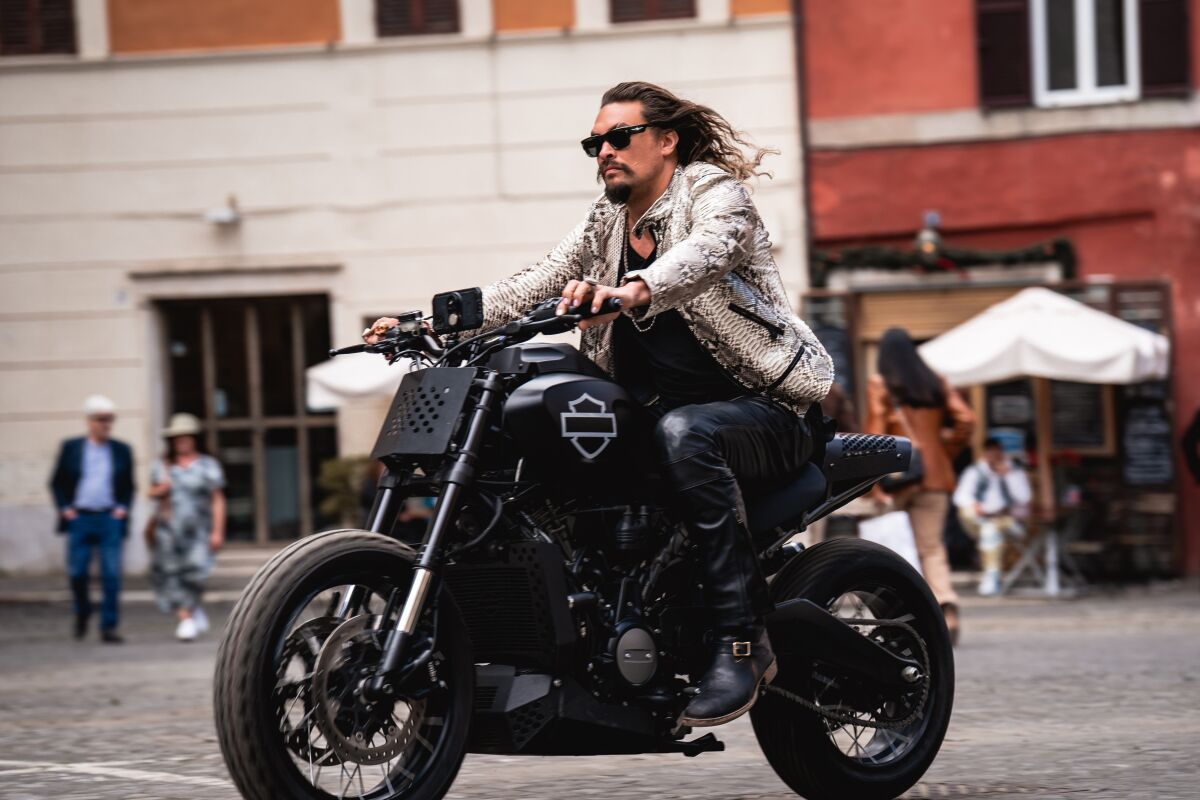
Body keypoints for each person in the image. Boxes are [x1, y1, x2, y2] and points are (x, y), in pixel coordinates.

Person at [367, 81, 834, 727]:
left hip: (764, 411)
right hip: (657, 415)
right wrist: (426, 323)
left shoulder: (712, 193)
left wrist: (634, 290)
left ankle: (742, 643)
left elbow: (705, 254)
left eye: (620, 137)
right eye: (595, 142)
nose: (604, 152)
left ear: (666, 141)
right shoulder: (606, 221)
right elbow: (534, 281)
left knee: (684, 433)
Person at [865, 328, 974, 643]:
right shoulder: (935, 382)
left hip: (898, 477)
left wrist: (873, 486)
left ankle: (895, 611)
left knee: (889, 545)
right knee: (932, 548)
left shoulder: (881, 384)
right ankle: (946, 608)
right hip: (936, 477)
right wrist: (943, 451)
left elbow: (876, 436)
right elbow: (965, 420)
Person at [48, 395, 134, 643]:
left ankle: (108, 626)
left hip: (109, 519)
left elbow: (128, 486)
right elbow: (57, 482)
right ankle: (82, 612)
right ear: (89, 421)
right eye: (101, 419)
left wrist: (122, 509)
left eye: (110, 419)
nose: (106, 424)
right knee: (77, 573)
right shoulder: (72, 448)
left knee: (111, 575)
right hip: (80, 518)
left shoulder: (121, 450)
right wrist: (66, 509)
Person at [147, 413, 226, 642]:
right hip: (168, 530)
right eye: (177, 437)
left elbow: (217, 499)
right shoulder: (163, 466)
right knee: (171, 574)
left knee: (196, 573)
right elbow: (150, 492)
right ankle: (185, 618)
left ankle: (192, 608)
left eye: (186, 437)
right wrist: (159, 490)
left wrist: (218, 531)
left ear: (194, 439)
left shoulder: (207, 465)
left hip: (199, 531)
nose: (182, 441)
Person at [953, 438, 1032, 596]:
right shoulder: (975, 472)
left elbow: (1024, 498)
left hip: (1012, 523)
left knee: (990, 530)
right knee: (989, 528)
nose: (994, 455)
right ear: (985, 452)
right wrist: (976, 505)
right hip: (982, 522)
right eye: (990, 451)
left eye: (997, 451)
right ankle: (992, 576)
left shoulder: (1014, 471)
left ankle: (991, 577)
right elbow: (960, 496)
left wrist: (1008, 476)